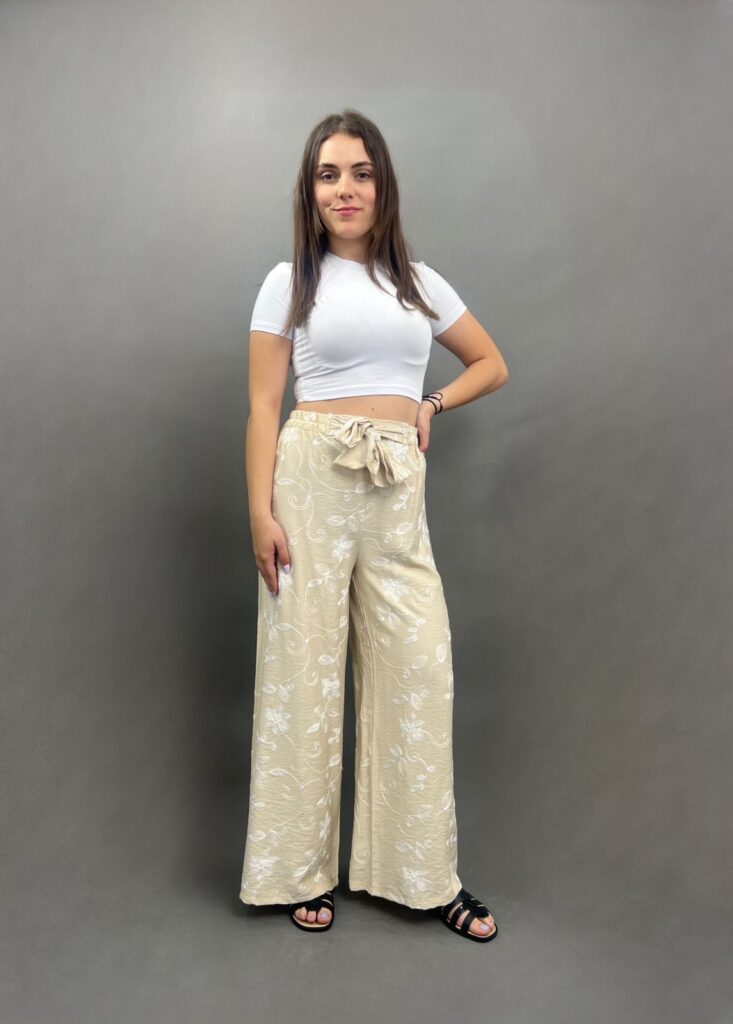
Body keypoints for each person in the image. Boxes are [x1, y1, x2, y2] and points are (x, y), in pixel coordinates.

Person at [238, 108, 508, 943]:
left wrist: (430, 403)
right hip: (309, 481)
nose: (345, 189)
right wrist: (259, 510)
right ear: (310, 191)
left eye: (360, 173)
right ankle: (297, 870)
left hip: (395, 488)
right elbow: (262, 403)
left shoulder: (419, 283)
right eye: (328, 175)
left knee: (417, 671)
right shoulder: (289, 281)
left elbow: (491, 363)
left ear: (382, 185)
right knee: (303, 673)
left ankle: (423, 876)